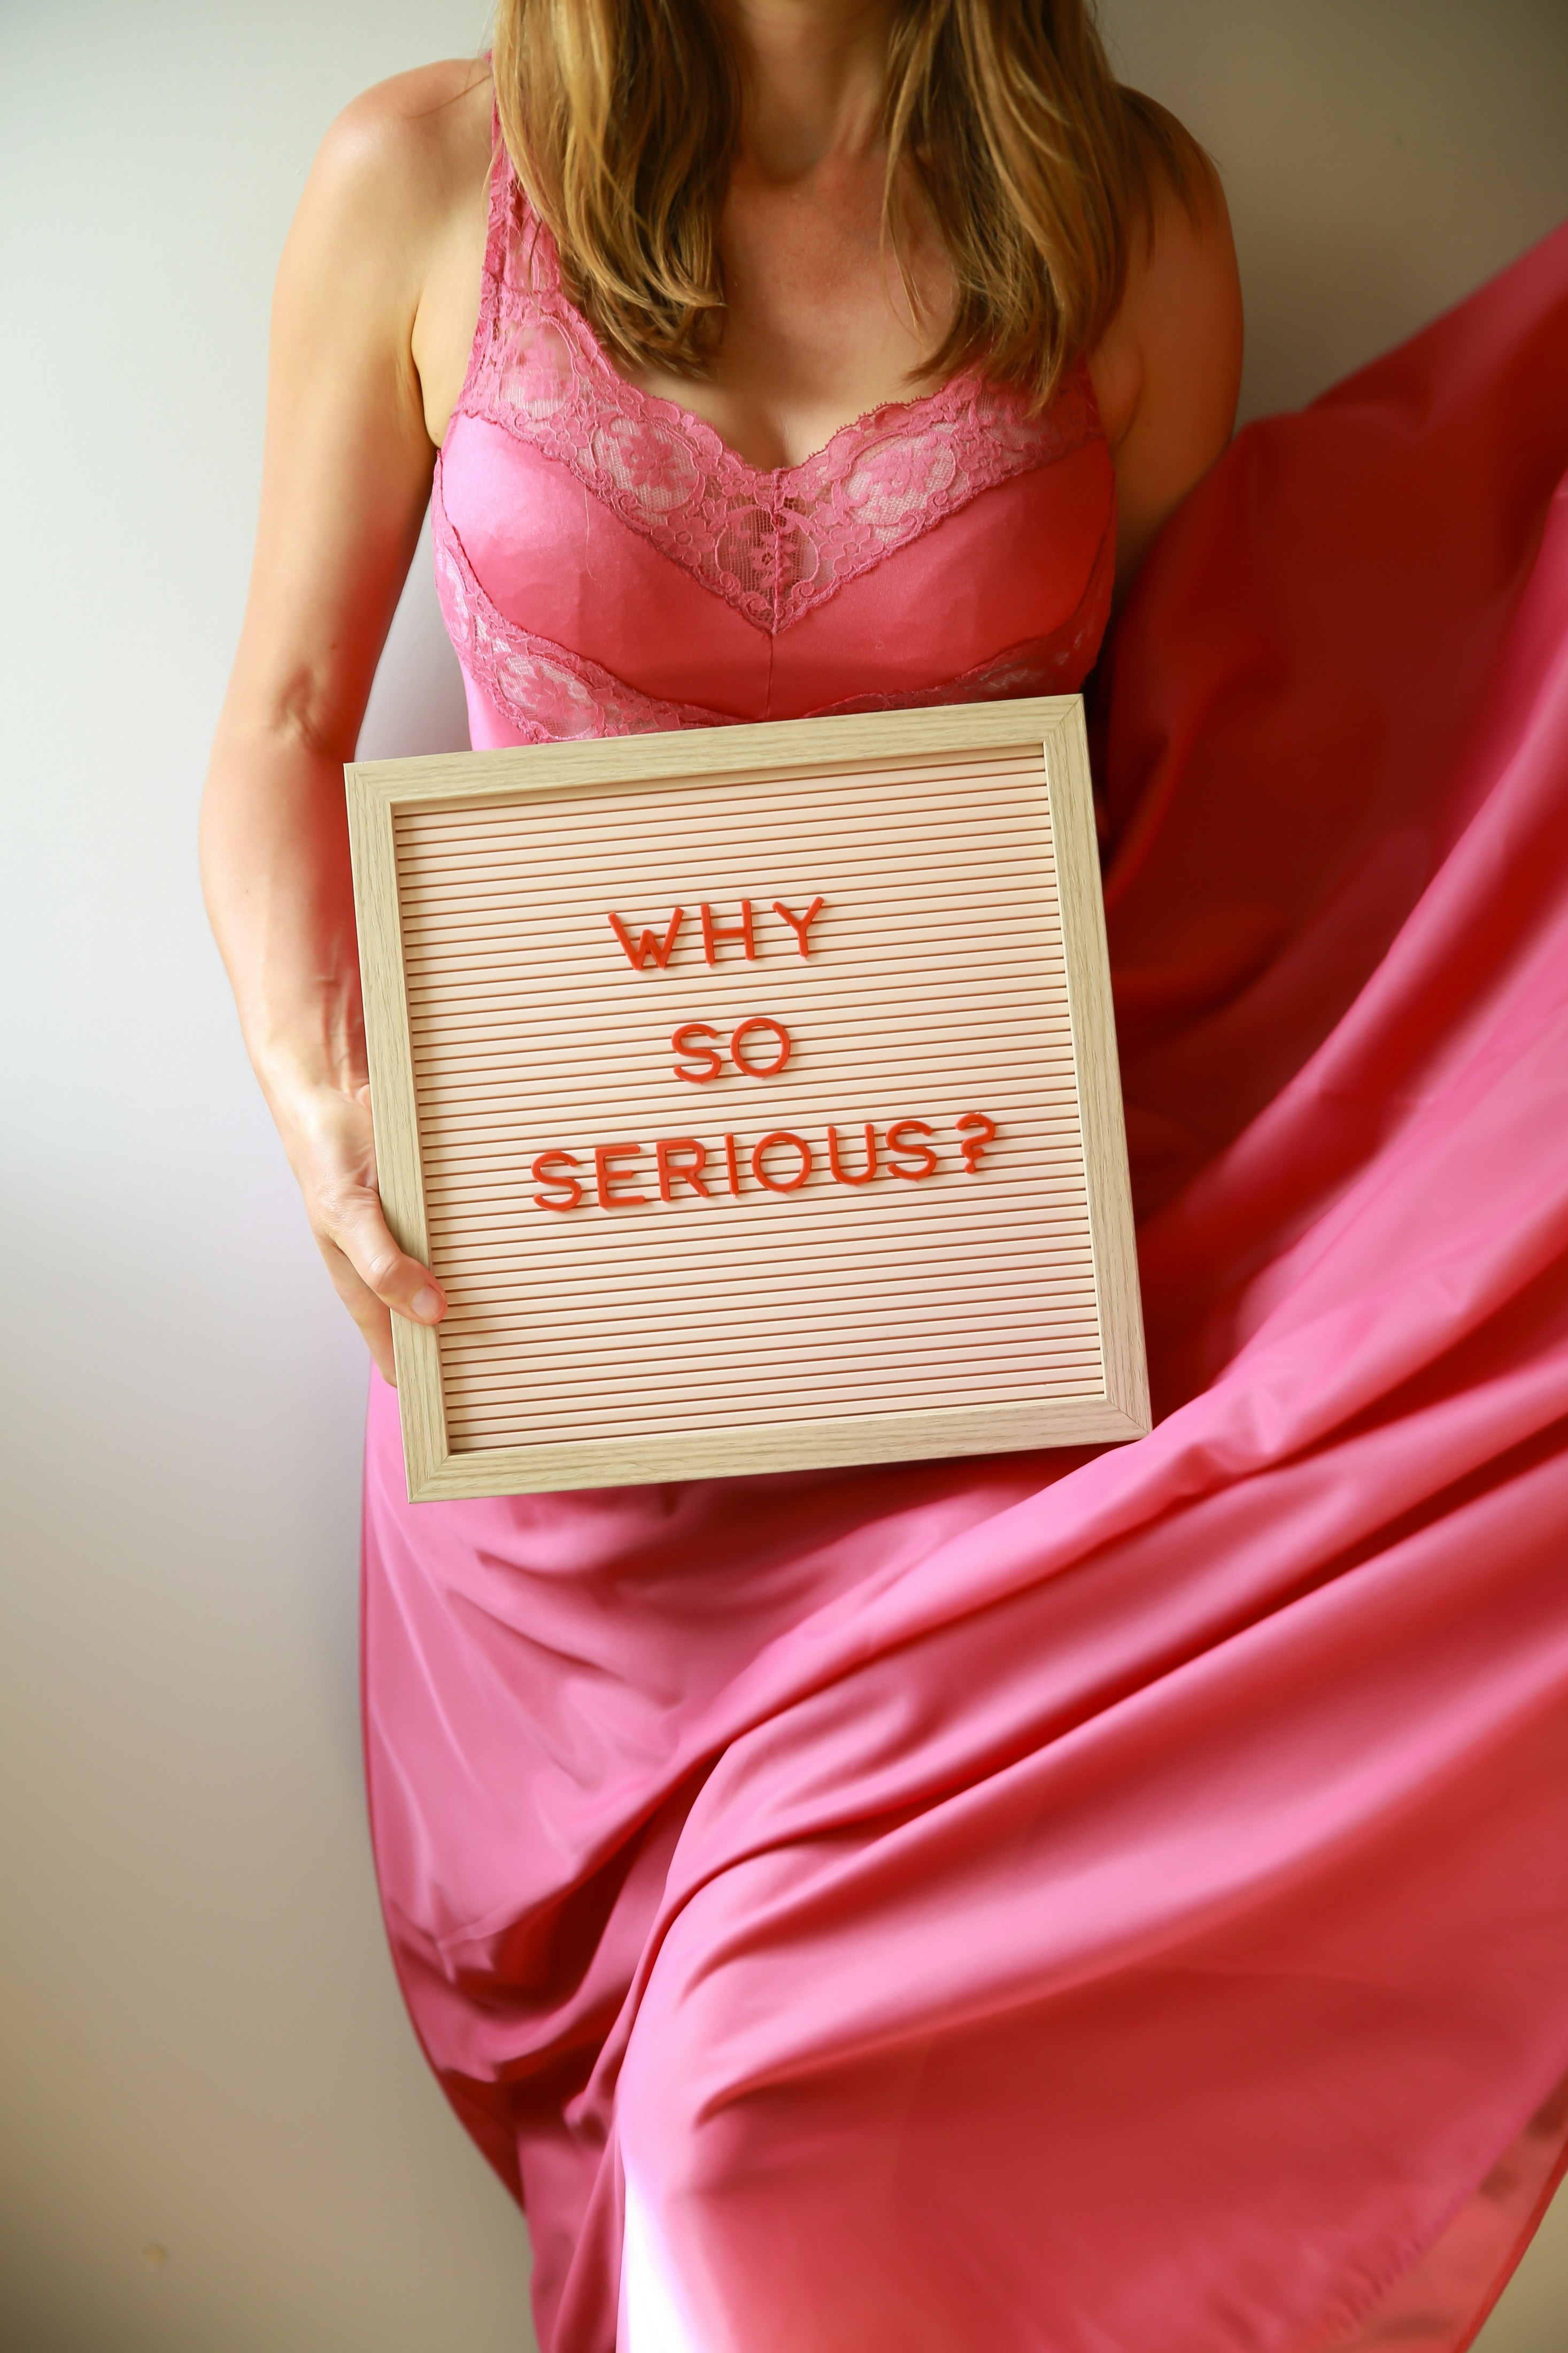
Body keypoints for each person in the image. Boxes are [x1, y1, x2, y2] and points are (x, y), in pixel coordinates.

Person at [202, 4, 1568, 2349]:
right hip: (569, 1424)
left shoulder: (1126, 218)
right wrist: (323, 1096)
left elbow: (1200, 792)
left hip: (980, 1400)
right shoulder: (420, 177)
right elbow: (283, 722)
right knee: (710, 2149)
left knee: (784, 2145)